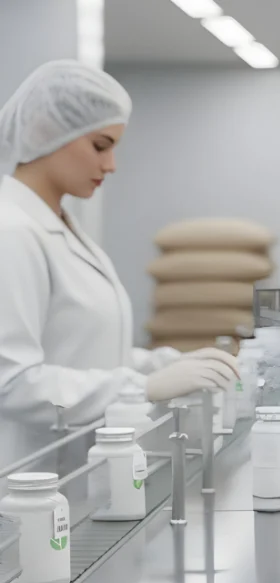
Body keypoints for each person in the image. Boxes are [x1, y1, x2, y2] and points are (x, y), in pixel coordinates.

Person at [0, 60, 238, 458]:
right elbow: (11, 383)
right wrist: (141, 387)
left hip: (84, 466)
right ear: (46, 131)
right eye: (100, 146)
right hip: (30, 472)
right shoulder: (11, 231)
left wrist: (165, 365)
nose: (111, 165)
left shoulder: (61, 226)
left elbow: (87, 353)